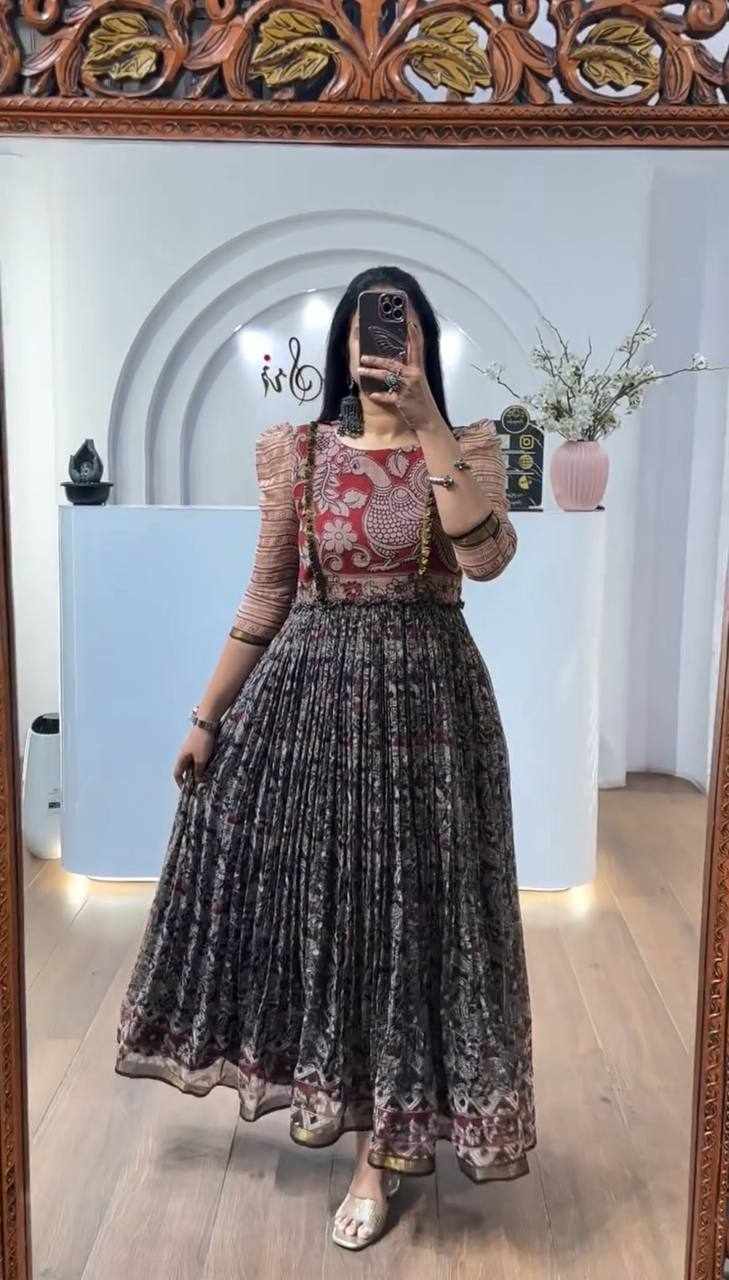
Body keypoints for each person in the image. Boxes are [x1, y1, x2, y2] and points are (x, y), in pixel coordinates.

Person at [115, 265, 536, 1252]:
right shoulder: (296, 452)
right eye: (366, 327)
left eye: (400, 327)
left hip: (432, 717)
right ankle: (348, 1110)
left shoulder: (468, 446)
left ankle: (380, 1153)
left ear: (423, 344)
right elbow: (267, 594)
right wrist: (206, 716)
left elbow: (485, 559)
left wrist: (428, 424)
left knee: (414, 924)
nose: (381, 343)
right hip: (313, 708)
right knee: (335, 919)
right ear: (345, 345)